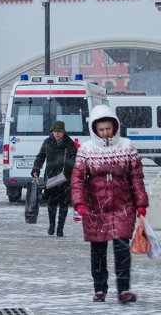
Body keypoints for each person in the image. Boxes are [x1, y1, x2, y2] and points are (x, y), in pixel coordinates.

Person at [71, 104, 149, 303]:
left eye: (108, 128)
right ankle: (99, 289)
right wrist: (79, 202)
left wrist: (141, 202)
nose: (105, 132)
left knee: (122, 250)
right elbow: (78, 178)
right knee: (98, 251)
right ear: (95, 130)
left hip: (123, 207)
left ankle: (123, 290)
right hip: (95, 207)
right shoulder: (86, 150)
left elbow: (137, 177)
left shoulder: (127, 146)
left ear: (115, 126)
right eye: (101, 129)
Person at [32, 120, 77, 237]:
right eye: (55, 131)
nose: (57, 134)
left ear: (63, 132)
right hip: (51, 177)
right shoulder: (47, 142)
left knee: (64, 204)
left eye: (60, 132)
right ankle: (52, 225)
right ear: (52, 132)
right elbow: (40, 157)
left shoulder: (69, 144)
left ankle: (60, 228)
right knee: (51, 203)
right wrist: (36, 169)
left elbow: (76, 160)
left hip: (65, 178)